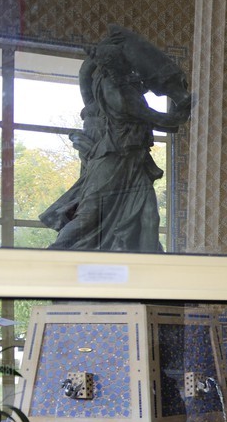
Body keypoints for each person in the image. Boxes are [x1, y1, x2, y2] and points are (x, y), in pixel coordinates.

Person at [40, 25, 193, 253]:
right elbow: (162, 121)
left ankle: (151, 269)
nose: (132, 66)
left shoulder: (121, 86)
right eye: (126, 60)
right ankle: (54, 254)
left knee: (150, 216)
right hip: (112, 162)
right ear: (118, 63)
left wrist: (109, 46)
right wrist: (183, 108)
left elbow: (85, 75)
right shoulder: (115, 93)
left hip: (135, 163)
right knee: (89, 217)